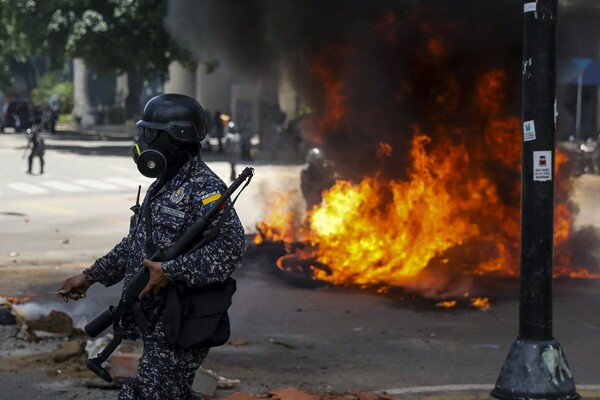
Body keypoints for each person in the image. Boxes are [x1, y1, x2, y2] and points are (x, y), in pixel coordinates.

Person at [57, 93, 245, 400]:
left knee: (148, 395)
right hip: (156, 318)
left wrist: (170, 271)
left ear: (175, 138)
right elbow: (136, 245)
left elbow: (231, 247)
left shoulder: (205, 188)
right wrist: (90, 275)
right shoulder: (164, 183)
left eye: (150, 134)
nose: (143, 142)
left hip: (180, 319)